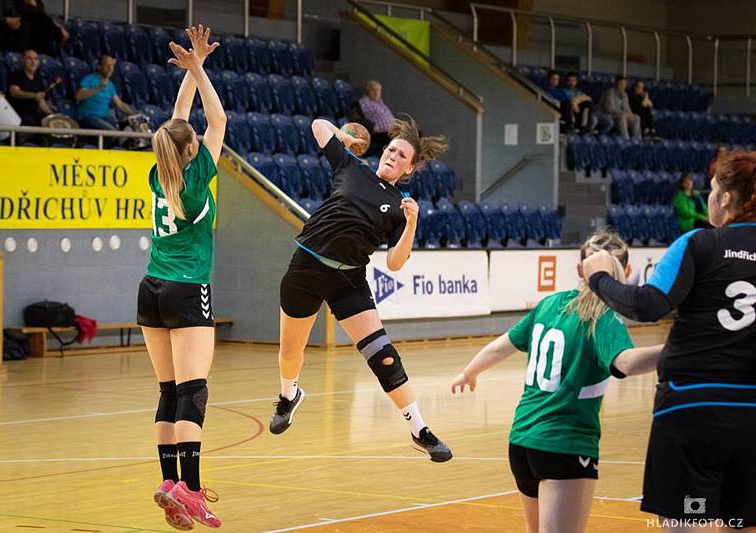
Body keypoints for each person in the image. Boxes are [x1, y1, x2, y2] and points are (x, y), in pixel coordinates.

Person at [583, 151, 756, 532]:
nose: (708, 198)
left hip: (692, 408)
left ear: (727, 198)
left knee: (683, 524)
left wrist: (599, 279)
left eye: (712, 190)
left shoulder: (698, 244)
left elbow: (648, 306)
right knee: (741, 523)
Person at [452, 228, 663, 533]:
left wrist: (469, 372)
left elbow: (502, 345)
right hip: (564, 444)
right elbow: (626, 364)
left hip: (522, 442)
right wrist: (679, 350)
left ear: (580, 269)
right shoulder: (603, 317)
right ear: (627, 272)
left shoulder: (549, 305)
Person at [270, 113, 453, 462]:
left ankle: (420, 429)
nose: (392, 156)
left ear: (409, 170)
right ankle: (288, 395)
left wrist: (412, 223)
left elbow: (396, 263)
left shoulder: (401, 207)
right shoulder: (352, 166)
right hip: (306, 266)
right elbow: (317, 126)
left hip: (348, 278)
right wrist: (345, 136)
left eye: (402, 156)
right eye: (391, 149)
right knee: (290, 352)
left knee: (383, 356)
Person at [135, 25, 226, 530]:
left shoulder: (160, 169)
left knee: (169, 391)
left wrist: (194, 69)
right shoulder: (196, 177)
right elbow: (216, 118)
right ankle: (190, 491)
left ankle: (169, 483)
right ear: (194, 151)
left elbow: (178, 122)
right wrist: (199, 71)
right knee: (193, 390)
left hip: (151, 289)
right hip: (188, 288)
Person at [75, 55, 134, 131]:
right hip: (89, 117)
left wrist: (133, 114)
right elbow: (79, 96)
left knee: (126, 129)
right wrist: (99, 88)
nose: (110, 69)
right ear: (99, 67)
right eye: (107, 66)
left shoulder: (110, 85)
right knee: (112, 132)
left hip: (104, 118)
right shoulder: (89, 78)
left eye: (112, 66)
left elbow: (120, 105)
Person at [8, 49, 54, 129]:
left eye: (35, 59)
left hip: (34, 116)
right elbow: (14, 92)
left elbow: (41, 101)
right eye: (29, 58)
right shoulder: (17, 75)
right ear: (23, 61)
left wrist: (52, 115)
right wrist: (34, 95)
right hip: (20, 115)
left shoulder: (38, 79)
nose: (33, 62)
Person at [358, 80, 394, 156]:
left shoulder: (380, 103)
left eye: (378, 90)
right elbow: (358, 117)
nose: (376, 93)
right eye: (373, 90)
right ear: (367, 91)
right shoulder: (364, 102)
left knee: (416, 134)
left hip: (390, 131)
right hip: (379, 134)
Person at [601, 75, 641, 140]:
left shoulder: (625, 94)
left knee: (636, 117)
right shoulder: (610, 92)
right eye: (621, 84)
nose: (623, 86)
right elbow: (609, 109)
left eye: (624, 84)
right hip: (609, 115)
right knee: (622, 117)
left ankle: (636, 140)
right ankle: (626, 139)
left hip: (622, 116)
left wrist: (631, 115)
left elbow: (627, 108)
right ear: (616, 84)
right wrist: (623, 113)